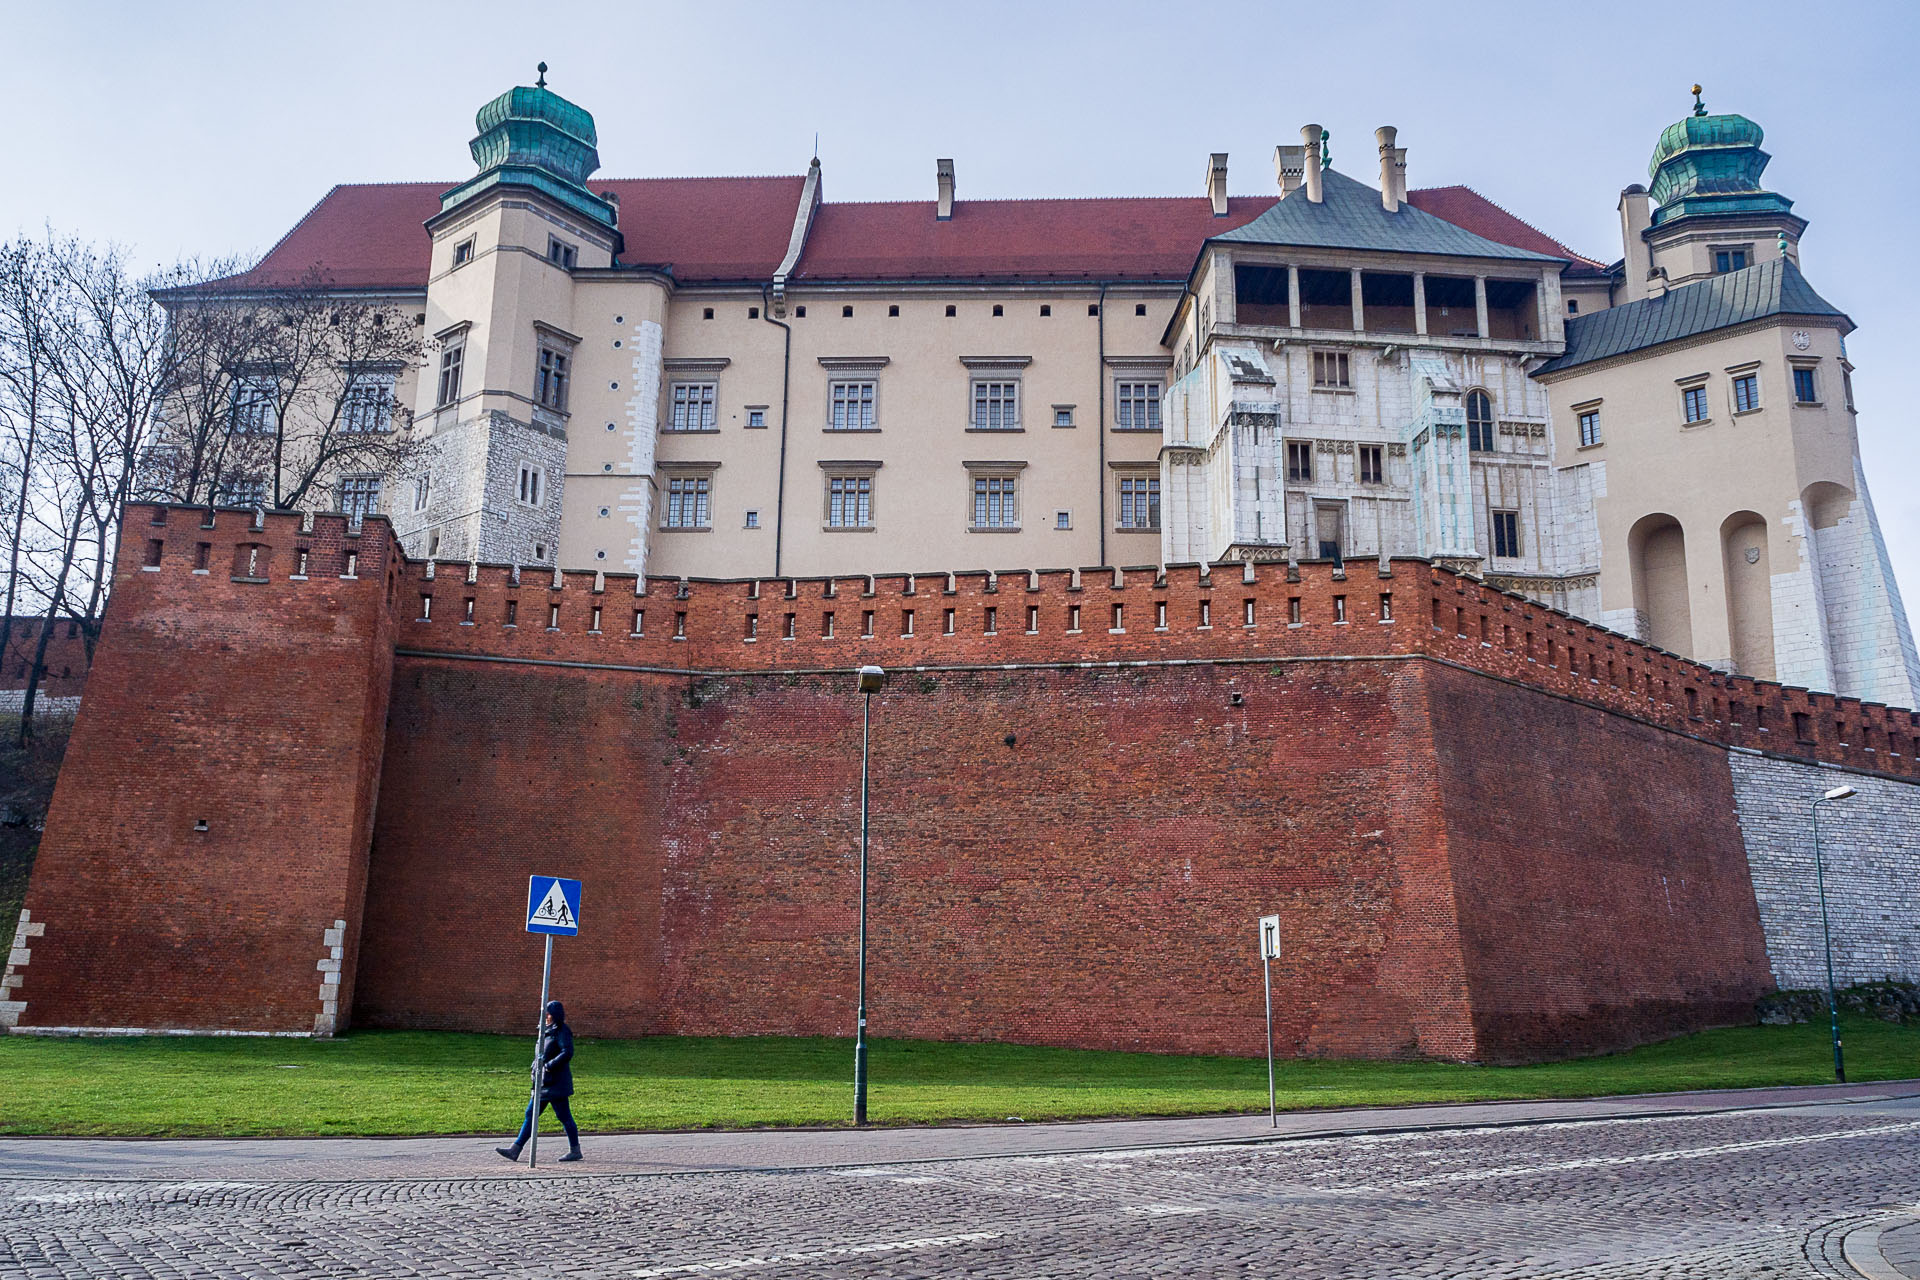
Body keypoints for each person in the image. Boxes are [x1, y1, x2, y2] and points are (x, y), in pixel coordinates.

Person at [496, 1000, 581, 1163]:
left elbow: (567, 1052)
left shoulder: (561, 1031)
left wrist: (549, 1066)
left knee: (564, 1116)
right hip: (543, 1083)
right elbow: (540, 1054)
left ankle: (575, 1150)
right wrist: (534, 1069)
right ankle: (515, 1149)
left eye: (548, 1013)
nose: (545, 1017)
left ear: (555, 1015)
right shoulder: (545, 1031)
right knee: (531, 1114)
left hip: (555, 1084)